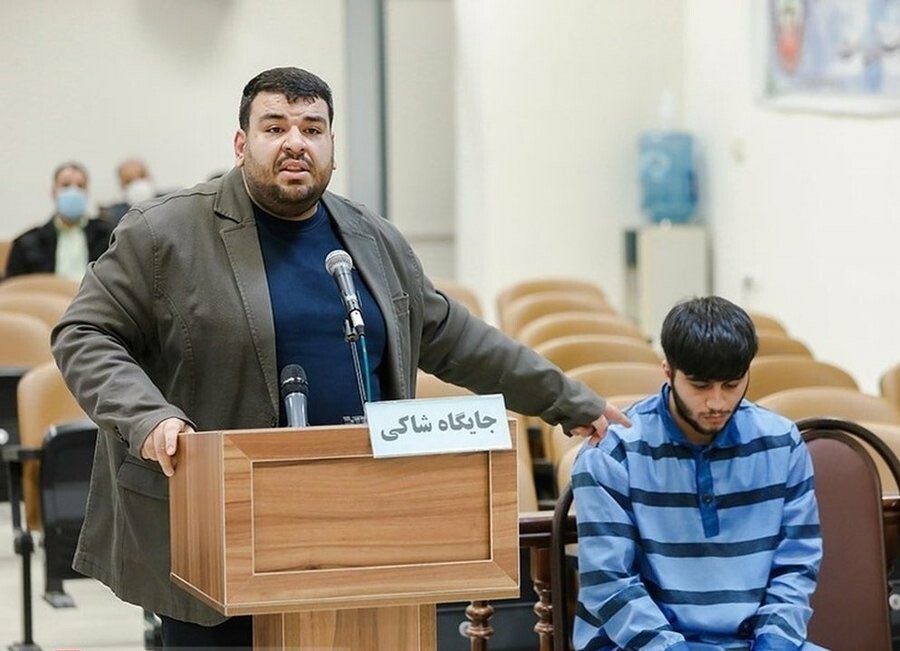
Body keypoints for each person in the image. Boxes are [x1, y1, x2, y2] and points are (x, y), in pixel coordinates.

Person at [51, 66, 630, 649]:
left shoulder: (371, 238)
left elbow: (454, 338)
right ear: (241, 144)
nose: (295, 142)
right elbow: (84, 332)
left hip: (363, 528)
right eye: (275, 127)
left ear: (332, 146)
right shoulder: (165, 232)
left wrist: (569, 401)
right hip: (217, 533)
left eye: (312, 128)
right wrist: (148, 417)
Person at [571, 296, 822, 651]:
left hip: (751, 643)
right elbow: (610, 583)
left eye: (732, 384)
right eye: (701, 386)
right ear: (668, 371)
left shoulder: (782, 442)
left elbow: (796, 565)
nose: (717, 402)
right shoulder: (613, 452)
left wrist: (774, 643)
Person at [5, 162, 113, 280]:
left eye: (80, 186)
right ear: (53, 191)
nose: (73, 191)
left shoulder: (107, 238)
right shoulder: (28, 243)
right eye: (65, 185)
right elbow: (13, 286)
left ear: (87, 193)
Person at [101, 158, 159, 224]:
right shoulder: (115, 215)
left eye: (141, 176)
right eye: (129, 181)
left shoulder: (167, 204)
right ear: (122, 186)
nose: (137, 184)